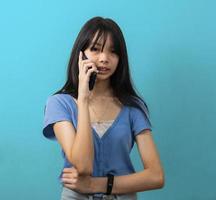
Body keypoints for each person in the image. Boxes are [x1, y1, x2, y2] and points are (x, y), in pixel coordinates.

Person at [42, 16, 164, 200]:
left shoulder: (133, 107)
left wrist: (96, 184)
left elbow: (156, 176)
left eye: (113, 52)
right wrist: (83, 99)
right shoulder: (59, 104)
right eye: (95, 49)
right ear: (80, 55)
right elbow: (83, 166)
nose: (104, 58)